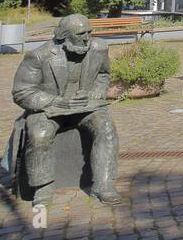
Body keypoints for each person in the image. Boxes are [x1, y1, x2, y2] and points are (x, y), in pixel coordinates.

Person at [11, 14, 122, 206]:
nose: (87, 38)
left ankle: (104, 185)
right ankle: (43, 188)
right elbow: (22, 91)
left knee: (106, 128)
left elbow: (103, 75)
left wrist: (95, 92)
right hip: (50, 109)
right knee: (40, 134)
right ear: (64, 36)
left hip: (86, 108)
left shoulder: (98, 48)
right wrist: (53, 100)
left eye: (89, 32)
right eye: (81, 34)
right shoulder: (40, 55)